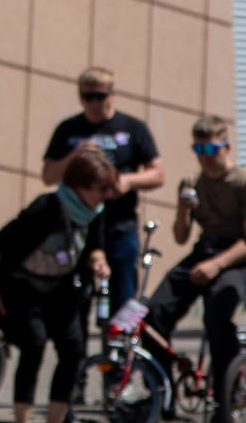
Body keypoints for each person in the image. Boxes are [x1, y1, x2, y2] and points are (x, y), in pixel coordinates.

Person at [0, 148, 115, 423]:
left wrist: (99, 262)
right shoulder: (47, 207)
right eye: (102, 188)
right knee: (34, 345)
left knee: (73, 350)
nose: (107, 195)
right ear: (81, 186)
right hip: (25, 286)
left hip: (63, 288)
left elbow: (95, 247)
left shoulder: (93, 212)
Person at [142, 116, 246, 423]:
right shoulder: (191, 184)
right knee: (154, 314)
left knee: (216, 317)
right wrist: (184, 211)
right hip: (204, 250)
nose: (205, 156)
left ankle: (225, 400)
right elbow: (181, 236)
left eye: (211, 148)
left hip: (235, 258)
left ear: (226, 146)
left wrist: (217, 265)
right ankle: (163, 397)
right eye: (198, 149)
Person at [42, 67, 163, 316]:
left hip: (120, 225)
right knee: (74, 300)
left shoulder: (132, 128)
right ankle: (77, 354)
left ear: (112, 94)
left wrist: (128, 181)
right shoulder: (68, 129)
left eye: (100, 96)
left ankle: (118, 353)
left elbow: (158, 173)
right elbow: (48, 175)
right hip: (78, 226)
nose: (94, 103)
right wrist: (75, 155)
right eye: (88, 97)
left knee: (123, 301)